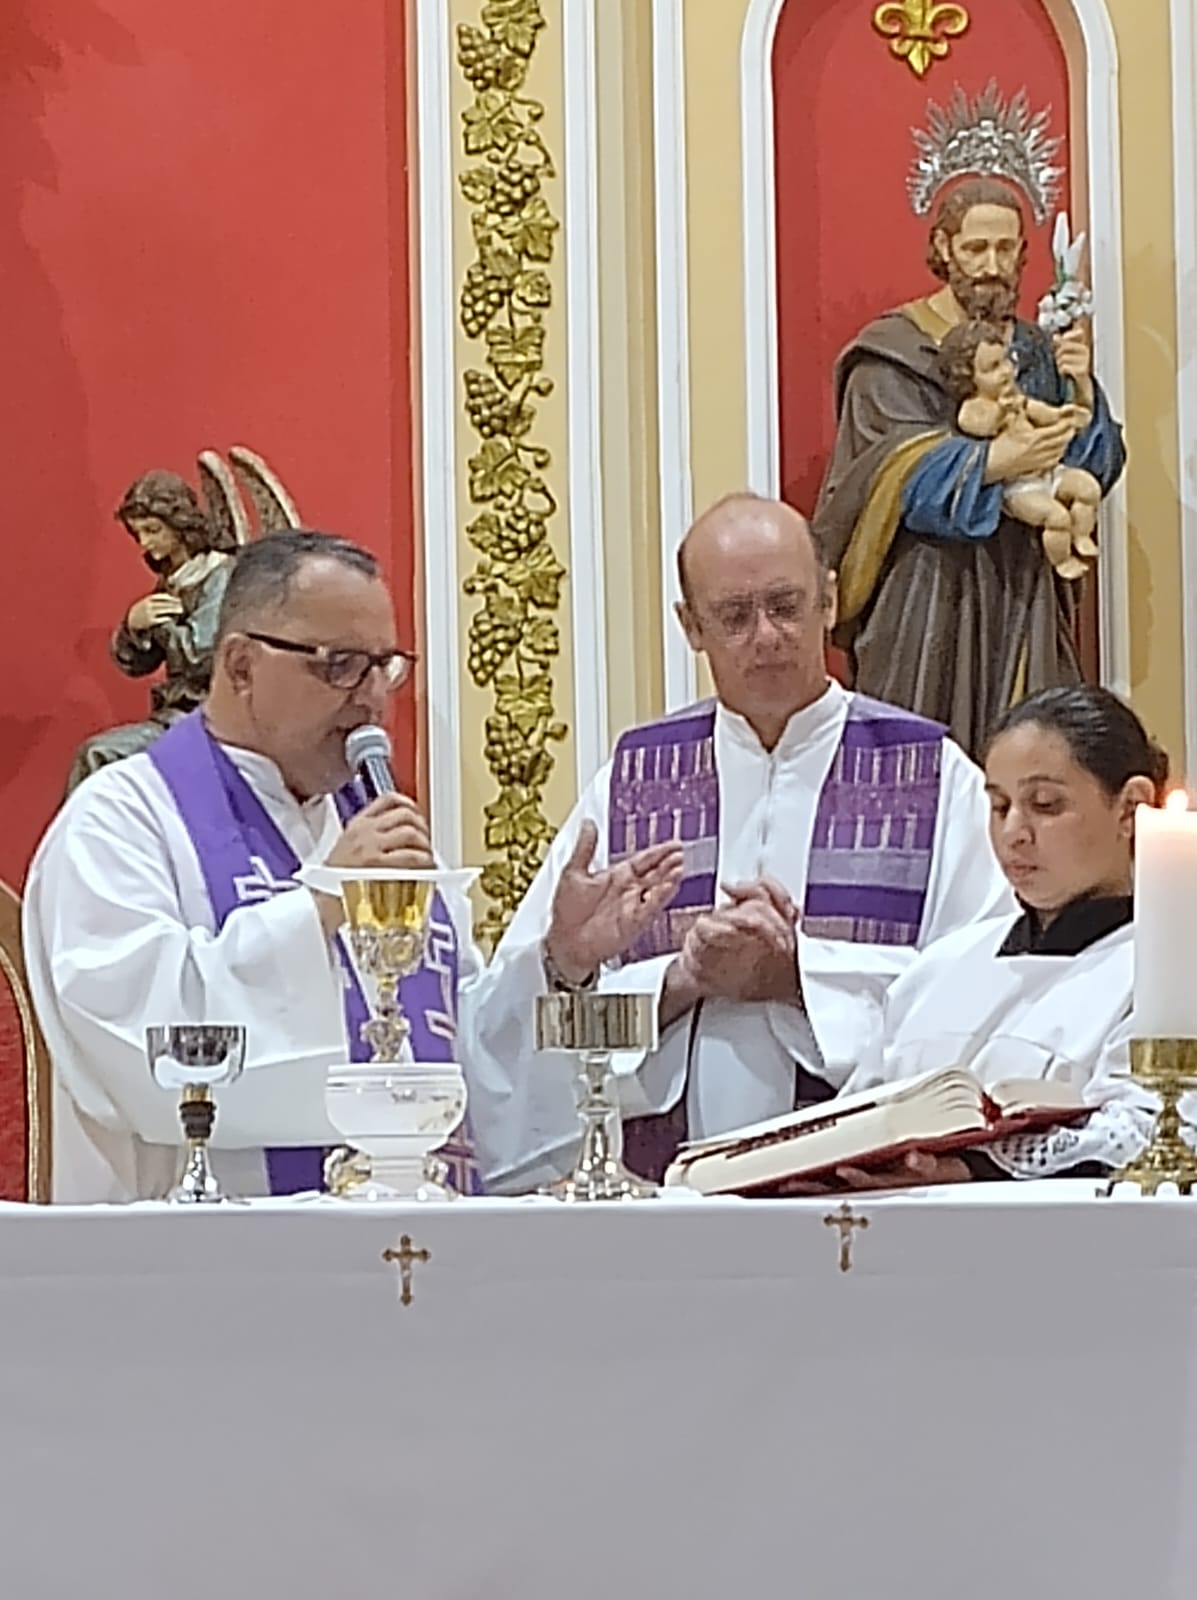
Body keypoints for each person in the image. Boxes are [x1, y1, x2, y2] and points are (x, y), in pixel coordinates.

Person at [465, 493, 1016, 1192]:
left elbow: (987, 994)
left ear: (828, 601)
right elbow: (509, 1038)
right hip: (661, 1202)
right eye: (734, 615)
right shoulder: (633, 781)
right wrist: (600, 968)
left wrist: (797, 977)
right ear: (690, 626)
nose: (767, 635)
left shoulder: (930, 775)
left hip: (860, 1205)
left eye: (786, 606)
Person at [29, 533, 489, 1201]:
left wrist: (557, 961)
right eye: (340, 666)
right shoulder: (120, 818)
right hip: (203, 1248)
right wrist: (320, 906)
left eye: (383, 667)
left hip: (404, 1241)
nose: (371, 699)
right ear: (241, 665)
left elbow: (455, 1040)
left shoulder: (371, 826)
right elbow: (143, 1045)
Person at [812, 176, 1126, 756]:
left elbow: (1094, 465)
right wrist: (995, 462)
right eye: (976, 248)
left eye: (1006, 248)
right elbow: (884, 472)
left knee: (1035, 763)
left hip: (1023, 594)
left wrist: (1080, 387)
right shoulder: (894, 353)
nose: (991, 266)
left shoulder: (1036, 351)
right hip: (928, 597)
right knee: (922, 768)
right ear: (944, 247)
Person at [822, 685, 1170, 1191]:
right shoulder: (940, 967)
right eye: (999, 806)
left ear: (1130, 809)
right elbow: (859, 1113)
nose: (1014, 833)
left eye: (1045, 804)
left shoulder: (1166, 970)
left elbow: (1150, 1131)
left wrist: (972, 1167)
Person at [67, 470, 236, 792]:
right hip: (174, 716)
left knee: (98, 754)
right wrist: (133, 627)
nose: (145, 542)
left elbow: (198, 656)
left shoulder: (219, 576)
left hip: (206, 719)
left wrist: (159, 624)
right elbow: (136, 664)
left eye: (153, 530)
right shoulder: (176, 578)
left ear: (180, 524)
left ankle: (82, 828)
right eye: (138, 533)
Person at [940, 319, 1101, 581]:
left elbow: (1042, 412)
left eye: (1006, 361)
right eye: (992, 368)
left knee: (1088, 489)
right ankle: (1062, 560)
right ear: (968, 377)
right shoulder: (975, 407)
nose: (1005, 372)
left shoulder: (1015, 396)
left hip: (1048, 472)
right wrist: (1001, 411)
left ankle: (1081, 535)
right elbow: (978, 426)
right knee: (1056, 517)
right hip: (1020, 487)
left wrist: (1063, 415)